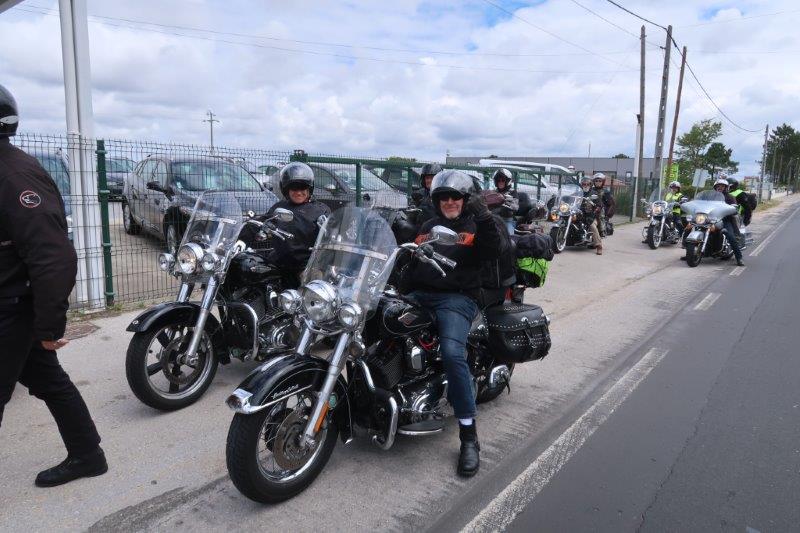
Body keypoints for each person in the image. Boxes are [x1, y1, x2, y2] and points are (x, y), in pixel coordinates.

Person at [0, 83, 107, 487]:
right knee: (49, 381)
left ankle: (88, 455)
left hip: (12, 308)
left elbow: (53, 256)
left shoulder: (14, 175)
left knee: (48, 381)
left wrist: (48, 326)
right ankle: (88, 455)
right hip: (10, 305)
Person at [402, 170, 509, 477]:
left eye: (455, 197)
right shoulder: (427, 226)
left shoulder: (476, 225)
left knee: (452, 354)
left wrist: (484, 216)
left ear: (465, 199)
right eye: (443, 197)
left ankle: (468, 435)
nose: (449, 202)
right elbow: (411, 259)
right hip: (420, 295)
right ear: (436, 200)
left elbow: (494, 249)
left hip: (457, 298)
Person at [261, 162, 330, 287]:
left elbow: (333, 234)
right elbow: (261, 222)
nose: (298, 192)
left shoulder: (320, 210)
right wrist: (242, 237)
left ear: (309, 189)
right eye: (294, 188)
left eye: (302, 188)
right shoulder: (279, 207)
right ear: (286, 189)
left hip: (306, 267)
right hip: (279, 264)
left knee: (315, 288)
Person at [713, 178, 745, 267]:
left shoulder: (730, 197)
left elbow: (734, 209)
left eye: (722, 186)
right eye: (718, 186)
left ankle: (739, 258)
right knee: (693, 226)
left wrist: (734, 209)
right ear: (715, 187)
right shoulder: (712, 197)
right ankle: (691, 252)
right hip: (711, 219)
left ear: (726, 188)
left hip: (726, 220)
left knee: (730, 236)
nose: (720, 187)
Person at [411, 162, 441, 227]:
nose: (429, 180)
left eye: (432, 178)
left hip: (438, 229)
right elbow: (410, 217)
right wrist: (415, 204)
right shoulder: (420, 194)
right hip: (420, 229)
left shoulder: (444, 195)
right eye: (427, 178)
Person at [580, 176, 603, 255]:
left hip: (591, 216)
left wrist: (596, 209)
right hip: (579, 214)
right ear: (581, 185)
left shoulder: (594, 193)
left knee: (592, 226)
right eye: (584, 184)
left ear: (590, 185)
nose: (586, 186)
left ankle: (599, 246)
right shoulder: (578, 192)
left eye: (587, 184)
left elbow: (599, 205)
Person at [591, 172, 615, 237]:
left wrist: (607, 215)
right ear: (594, 181)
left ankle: (602, 230)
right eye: (596, 181)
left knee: (600, 212)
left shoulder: (606, 192)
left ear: (603, 182)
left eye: (600, 181)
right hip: (591, 208)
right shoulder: (591, 190)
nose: (598, 182)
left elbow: (611, 204)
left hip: (601, 211)